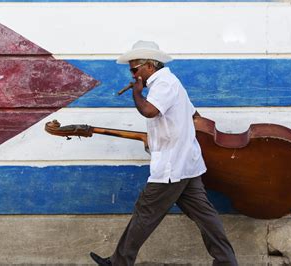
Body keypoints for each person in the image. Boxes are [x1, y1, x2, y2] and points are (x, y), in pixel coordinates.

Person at [90, 40, 238, 266]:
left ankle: (119, 263)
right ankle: (227, 262)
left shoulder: (163, 84)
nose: (133, 74)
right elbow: (193, 115)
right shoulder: (172, 82)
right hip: (186, 163)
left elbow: (149, 111)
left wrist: (137, 93)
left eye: (134, 69)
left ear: (149, 65)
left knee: (145, 212)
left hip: (171, 166)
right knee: (205, 217)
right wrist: (162, 138)